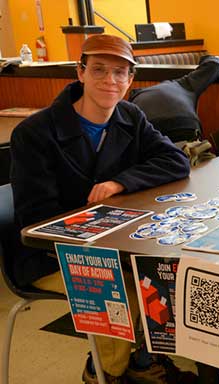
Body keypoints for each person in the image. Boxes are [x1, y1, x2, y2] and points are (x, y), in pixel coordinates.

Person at [10, 34, 193, 384]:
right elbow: (37, 219)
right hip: (46, 255)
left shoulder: (129, 115)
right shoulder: (35, 133)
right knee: (120, 286)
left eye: (120, 73)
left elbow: (175, 161)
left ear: (130, 80)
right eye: (99, 70)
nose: (110, 81)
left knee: (159, 272)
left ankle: (141, 362)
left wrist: (120, 182)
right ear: (79, 73)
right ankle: (105, 374)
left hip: (113, 242)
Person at [129, 55, 219, 143]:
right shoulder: (183, 84)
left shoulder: (134, 100)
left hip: (150, 127)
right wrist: (208, 57)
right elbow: (214, 65)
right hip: (184, 124)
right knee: (194, 154)